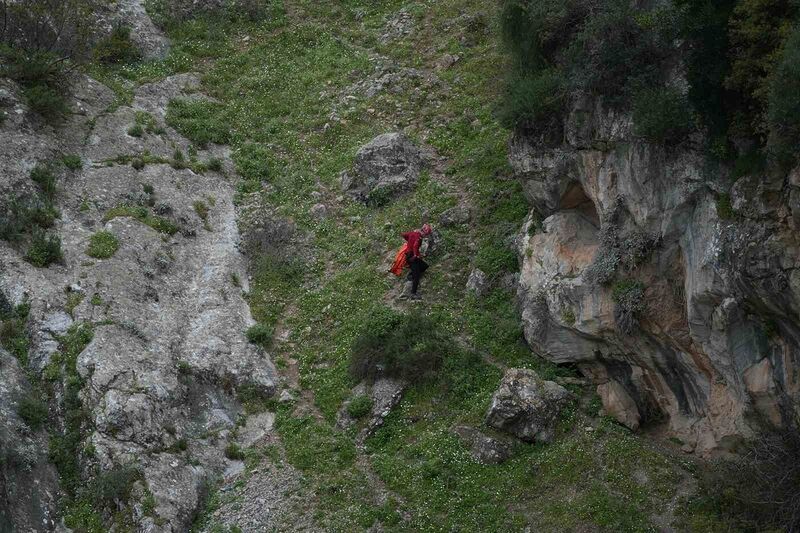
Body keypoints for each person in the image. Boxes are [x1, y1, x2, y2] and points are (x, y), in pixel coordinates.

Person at [399, 223, 432, 300]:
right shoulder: (418, 237)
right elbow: (415, 246)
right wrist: (415, 255)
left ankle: (411, 274)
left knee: (424, 266)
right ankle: (413, 293)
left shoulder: (413, 233)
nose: (425, 236)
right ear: (423, 232)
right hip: (412, 257)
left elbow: (404, 235)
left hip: (409, 255)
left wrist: (409, 241)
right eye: (426, 234)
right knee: (416, 277)